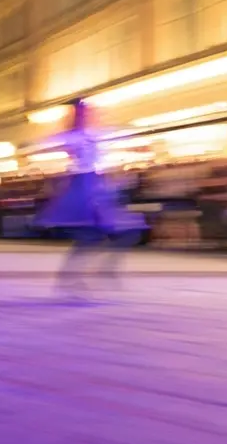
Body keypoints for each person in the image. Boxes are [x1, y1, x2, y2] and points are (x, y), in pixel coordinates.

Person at [33, 98, 146, 298]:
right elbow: (50, 144)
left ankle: (95, 272)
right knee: (91, 237)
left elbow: (116, 135)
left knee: (126, 231)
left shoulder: (93, 135)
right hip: (84, 189)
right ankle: (77, 277)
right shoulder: (75, 137)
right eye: (84, 112)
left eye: (88, 112)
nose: (88, 115)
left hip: (96, 189)